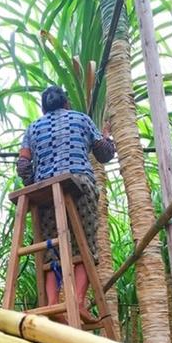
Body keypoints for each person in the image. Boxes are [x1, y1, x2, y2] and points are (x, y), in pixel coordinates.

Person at [16, 85, 115, 319]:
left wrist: (36, 183)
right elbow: (104, 154)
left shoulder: (32, 129)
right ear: (66, 103)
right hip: (78, 184)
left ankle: (52, 304)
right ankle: (79, 302)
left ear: (44, 108)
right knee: (85, 244)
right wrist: (107, 136)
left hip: (46, 192)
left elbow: (22, 165)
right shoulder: (81, 119)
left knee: (51, 248)